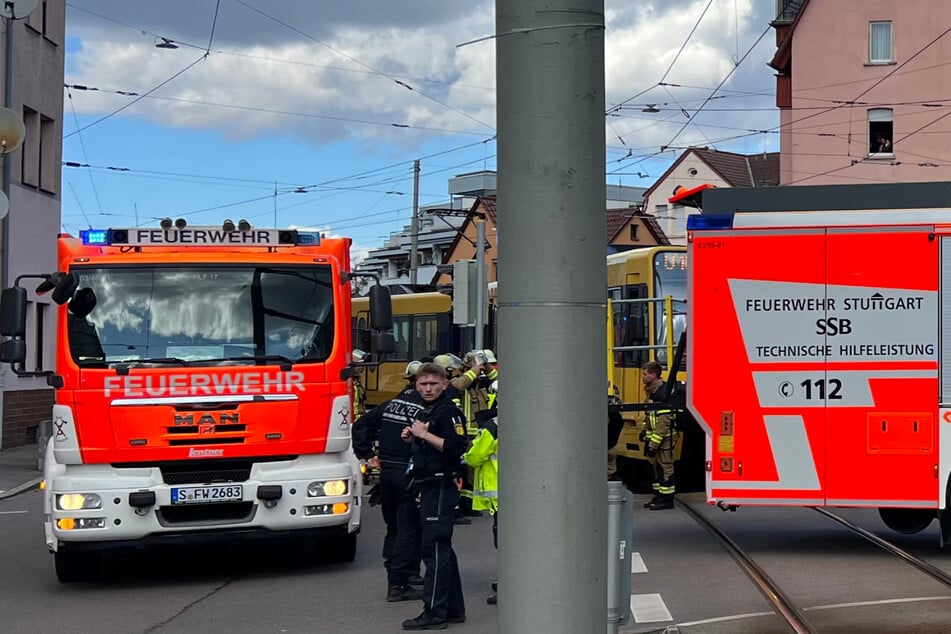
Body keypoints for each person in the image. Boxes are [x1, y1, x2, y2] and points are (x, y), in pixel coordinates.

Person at [398, 363, 469, 630]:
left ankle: (434, 612)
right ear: (416, 386)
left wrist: (424, 434)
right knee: (443, 550)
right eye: (423, 384)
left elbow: (455, 448)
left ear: (444, 384)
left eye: (433, 383)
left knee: (435, 548)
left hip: (440, 485)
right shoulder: (430, 410)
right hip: (428, 483)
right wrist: (415, 438)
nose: (428, 388)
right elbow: (428, 447)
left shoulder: (449, 411)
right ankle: (453, 609)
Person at [352, 384, 428, 601]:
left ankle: (405, 575)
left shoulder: (389, 405)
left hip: (387, 473)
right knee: (409, 529)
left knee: (394, 527)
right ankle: (399, 584)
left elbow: (360, 426)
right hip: (407, 473)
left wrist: (367, 455)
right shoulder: (424, 411)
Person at [462, 386, 499, 605]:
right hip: (523, 496)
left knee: (506, 543)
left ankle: (509, 585)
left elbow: (474, 457)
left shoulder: (493, 427)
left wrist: (465, 456)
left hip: (501, 497)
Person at [640, 361, 677, 510]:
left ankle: (667, 500)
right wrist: (645, 432)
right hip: (654, 438)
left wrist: (653, 444)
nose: (642, 377)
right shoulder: (651, 391)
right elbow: (650, 416)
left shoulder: (662, 393)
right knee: (654, 468)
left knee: (665, 468)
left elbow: (663, 423)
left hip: (665, 439)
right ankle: (658, 495)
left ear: (654, 375)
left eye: (645, 374)